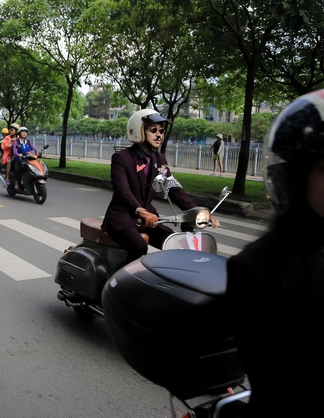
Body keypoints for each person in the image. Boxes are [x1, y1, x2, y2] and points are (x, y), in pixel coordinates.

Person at [225, 90, 324, 417]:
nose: (157, 135)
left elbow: (176, 190)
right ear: (294, 177)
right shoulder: (257, 269)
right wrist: (141, 210)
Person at [101, 109, 220, 264]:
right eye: (153, 130)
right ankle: (118, 284)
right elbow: (122, 190)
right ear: (139, 131)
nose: (159, 135)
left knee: (174, 243)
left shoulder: (159, 158)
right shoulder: (122, 158)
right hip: (123, 219)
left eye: (162, 131)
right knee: (138, 247)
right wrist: (140, 211)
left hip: (151, 219)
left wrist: (199, 212)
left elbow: (173, 188)